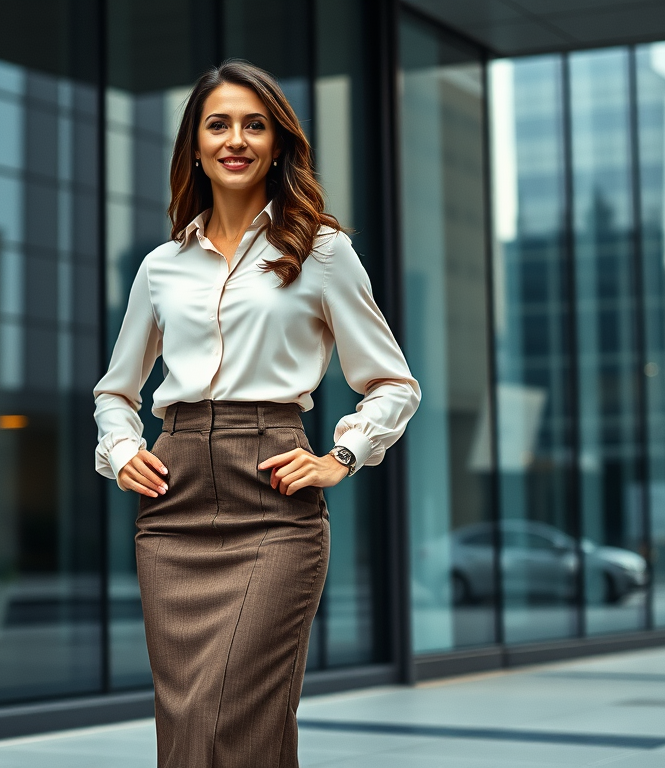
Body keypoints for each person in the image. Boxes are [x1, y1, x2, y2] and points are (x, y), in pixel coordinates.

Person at [93, 59, 420, 768]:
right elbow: (116, 391)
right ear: (197, 144)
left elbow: (393, 382)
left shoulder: (321, 251)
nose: (235, 139)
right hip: (173, 506)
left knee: (228, 720)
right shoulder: (161, 266)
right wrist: (121, 452)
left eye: (254, 124)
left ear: (277, 143)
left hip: (273, 502)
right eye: (218, 124)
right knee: (188, 727)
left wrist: (341, 457)